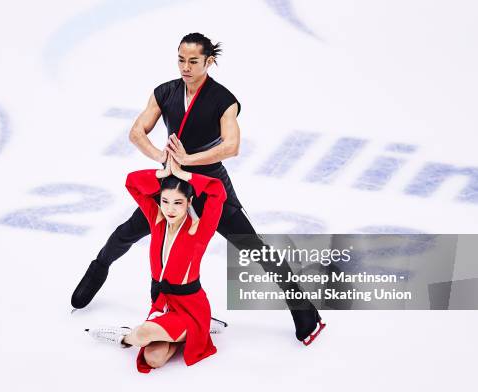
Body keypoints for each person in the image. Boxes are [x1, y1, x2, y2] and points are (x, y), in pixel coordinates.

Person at [73, 32, 325, 345]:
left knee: (256, 250)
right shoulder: (165, 92)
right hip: (172, 185)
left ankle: (306, 314)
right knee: (126, 233)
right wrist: (162, 157)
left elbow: (231, 146)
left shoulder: (224, 100)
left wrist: (189, 159)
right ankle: (98, 271)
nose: (186, 66)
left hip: (209, 186)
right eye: (181, 59)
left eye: (193, 61)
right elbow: (137, 132)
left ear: (209, 61)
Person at [87, 155, 226, 373]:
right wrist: (162, 174)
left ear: (189, 202)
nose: (170, 209)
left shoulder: (199, 229)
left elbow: (218, 190)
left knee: (143, 334)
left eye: (178, 202)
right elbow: (131, 182)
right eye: (165, 201)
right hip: (163, 301)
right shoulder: (156, 219)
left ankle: (123, 335)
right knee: (154, 359)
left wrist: (184, 175)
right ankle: (196, 331)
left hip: (190, 307)